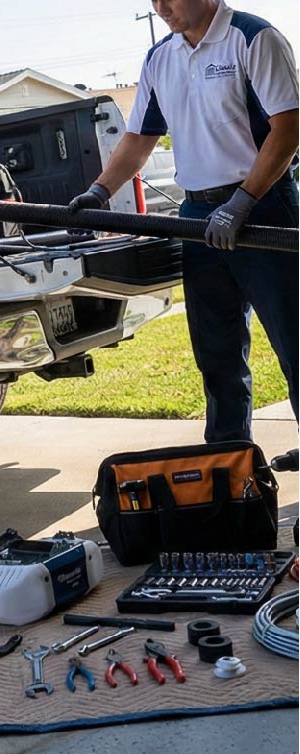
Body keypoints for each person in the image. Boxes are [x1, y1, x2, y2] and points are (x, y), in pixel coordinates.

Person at [69, 0, 299, 443]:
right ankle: (231, 470)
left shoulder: (252, 38)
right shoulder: (160, 58)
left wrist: (242, 201)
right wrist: (100, 190)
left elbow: (288, 127)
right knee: (217, 352)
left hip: (265, 209)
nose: (160, 7)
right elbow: (139, 137)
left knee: (296, 344)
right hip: (197, 218)